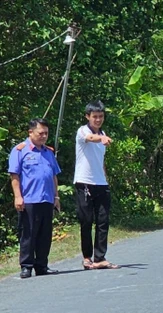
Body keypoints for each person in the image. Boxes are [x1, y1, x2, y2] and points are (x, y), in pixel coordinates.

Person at [8, 118, 61, 279]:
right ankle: (27, 266)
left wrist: (56, 196)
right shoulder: (20, 150)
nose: (44, 136)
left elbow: (53, 176)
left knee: (45, 234)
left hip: (46, 199)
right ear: (30, 132)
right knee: (28, 234)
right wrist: (18, 197)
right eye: (40, 133)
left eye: (46, 133)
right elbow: (14, 175)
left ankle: (42, 265)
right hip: (29, 199)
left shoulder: (48, 152)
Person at [74, 101, 119, 270]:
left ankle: (100, 257)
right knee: (86, 220)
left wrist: (105, 178)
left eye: (101, 116)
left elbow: (100, 161)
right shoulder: (83, 131)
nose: (98, 120)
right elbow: (90, 139)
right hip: (84, 182)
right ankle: (87, 257)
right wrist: (101, 138)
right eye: (95, 117)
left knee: (103, 221)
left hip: (101, 183)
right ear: (88, 117)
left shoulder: (103, 133)